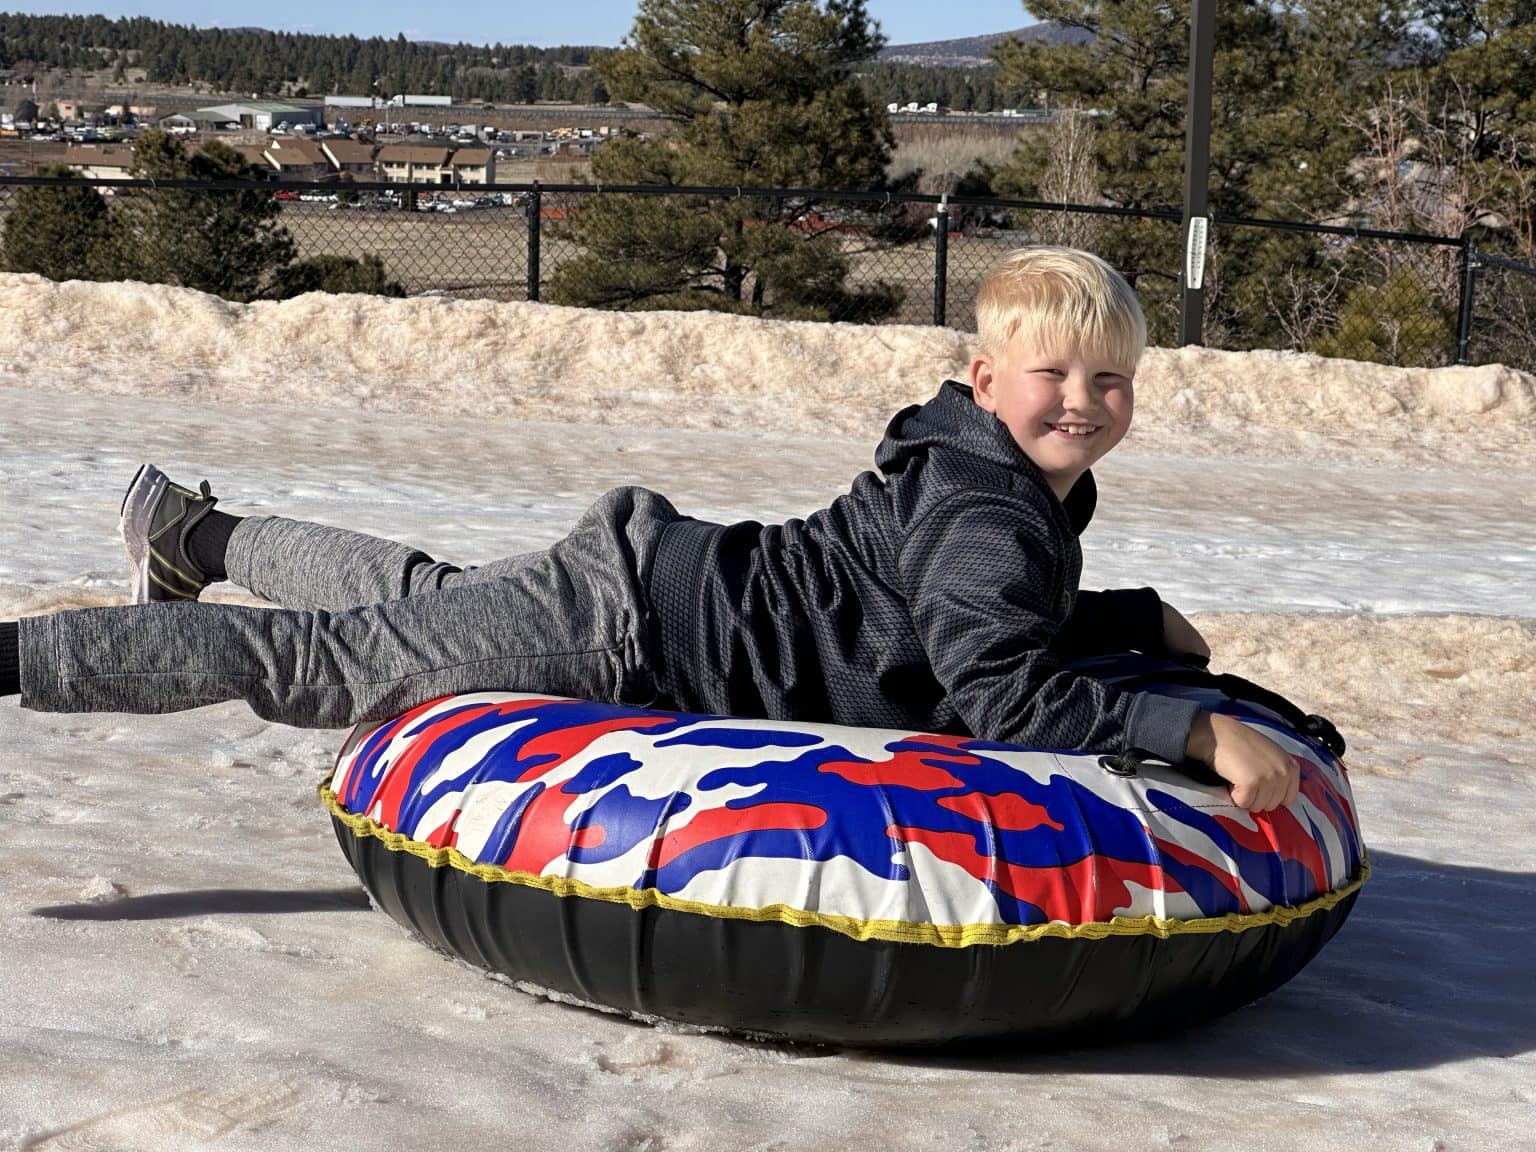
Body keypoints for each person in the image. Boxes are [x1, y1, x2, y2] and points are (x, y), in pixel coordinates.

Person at [0, 247, 1299, 812]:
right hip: (632, 625)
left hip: (650, 579)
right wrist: (1187, 723)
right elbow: (1002, 692)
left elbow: (954, 616)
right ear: (981, 380)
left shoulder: (991, 475)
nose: (1082, 403)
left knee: (424, 601)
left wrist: (1122, 620)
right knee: (325, 666)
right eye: (1052, 378)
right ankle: (19, 660)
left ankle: (196, 535)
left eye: (1109, 382)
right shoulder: (989, 504)